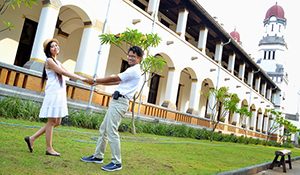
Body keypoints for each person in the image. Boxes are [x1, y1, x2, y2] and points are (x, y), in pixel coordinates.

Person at [80, 46, 144, 172]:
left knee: (111, 131)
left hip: (120, 102)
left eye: (134, 56)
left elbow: (115, 78)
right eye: (129, 55)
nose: (130, 58)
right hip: (116, 101)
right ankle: (98, 156)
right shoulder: (131, 70)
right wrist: (97, 83)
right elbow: (116, 82)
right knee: (104, 129)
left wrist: (95, 80)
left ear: (139, 58)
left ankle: (117, 162)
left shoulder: (134, 71)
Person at [24, 38, 86, 156]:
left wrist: (84, 79)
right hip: (54, 92)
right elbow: (62, 72)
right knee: (52, 121)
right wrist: (81, 78)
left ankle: (32, 138)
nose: (55, 47)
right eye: (52, 46)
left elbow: (68, 72)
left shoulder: (58, 62)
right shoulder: (49, 61)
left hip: (60, 92)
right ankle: (49, 148)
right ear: (48, 50)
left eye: (56, 45)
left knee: (57, 121)